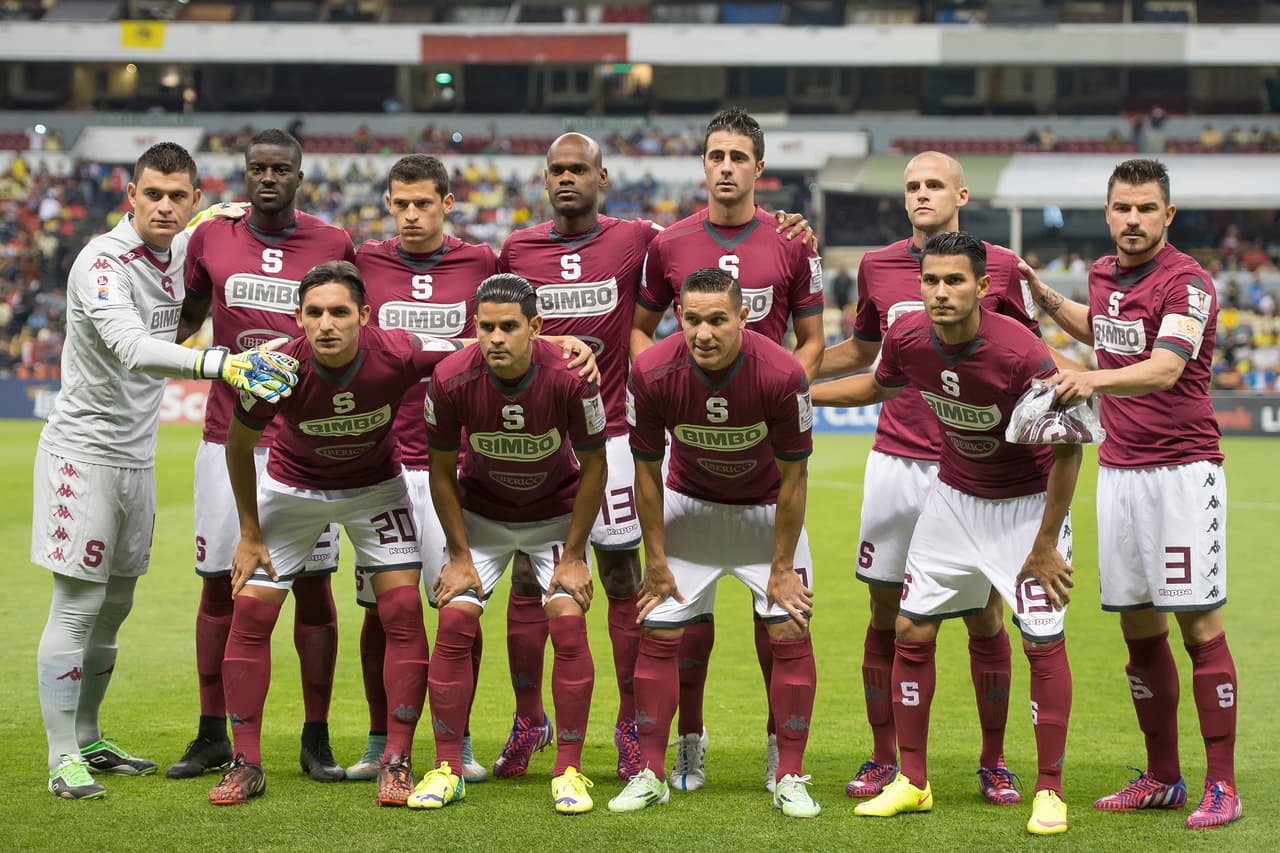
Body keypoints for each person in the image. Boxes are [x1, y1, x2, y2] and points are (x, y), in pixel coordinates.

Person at [33, 141, 297, 800]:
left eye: (179, 196)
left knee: (116, 605)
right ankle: (62, 754)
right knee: (78, 604)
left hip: (135, 457)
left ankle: (89, 733)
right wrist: (222, 363)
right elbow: (130, 347)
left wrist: (228, 214)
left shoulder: (183, 248)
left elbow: (220, 235)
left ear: (194, 201)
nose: (164, 206)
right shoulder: (103, 261)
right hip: (83, 454)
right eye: (152, 193)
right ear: (130, 195)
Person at [812, 232, 1080, 836]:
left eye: (954, 280)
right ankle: (913, 782)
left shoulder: (1020, 353)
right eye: (931, 281)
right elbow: (875, 387)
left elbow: (1068, 450)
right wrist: (798, 393)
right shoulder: (906, 338)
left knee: (1042, 639)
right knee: (909, 627)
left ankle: (1050, 791)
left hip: (1025, 507)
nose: (940, 292)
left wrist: (1044, 544)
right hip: (954, 499)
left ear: (984, 287)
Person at [1022, 158, 1241, 830]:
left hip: (1181, 473)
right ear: (1109, 211)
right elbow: (1109, 331)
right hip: (1118, 473)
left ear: (1167, 215)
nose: (1134, 219)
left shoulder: (1187, 281)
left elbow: (1167, 366)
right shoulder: (1101, 275)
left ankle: (1223, 784)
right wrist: (1047, 298)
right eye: (1123, 207)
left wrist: (1092, 381)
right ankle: (1163, 776)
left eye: (1147, 208)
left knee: (1198, 624)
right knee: (1138, 626)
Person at [209, 260, 460, 807]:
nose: (326, 324)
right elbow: (235, 446)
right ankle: (245, 762)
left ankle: (395, 760)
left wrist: (559, 347)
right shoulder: (278, 368)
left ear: (364, 316)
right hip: (292, 493)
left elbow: (474, 346)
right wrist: (250, 533)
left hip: (375, 490)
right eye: (315, 313)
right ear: (298, 317)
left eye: (340, 312)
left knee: (401, 613)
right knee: (251, 615)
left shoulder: (397, 351)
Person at [630, 106, 824, 793]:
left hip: (767, 460)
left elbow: (812, 339)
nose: (727, 167)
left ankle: (782, 751)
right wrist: (665, 385)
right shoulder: (669, 243)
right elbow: (640, 330)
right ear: (703, 164)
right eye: (716, 155)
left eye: (740, 157)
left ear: (759, 169)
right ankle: (687, 742)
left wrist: (772, 395)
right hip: (693, 467)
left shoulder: (794, 241)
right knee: (689, 624)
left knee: (781, 619)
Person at [173, 129, 358, 782]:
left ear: (300, 176)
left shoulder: (334, 243)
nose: (269, 177)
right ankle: (210, 733)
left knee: (314, 587)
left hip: (308, 445)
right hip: (229, 441)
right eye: (258, 168)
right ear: (244, 173)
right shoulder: (210, 237)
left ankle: (316, 736)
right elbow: (185, 317)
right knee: (219, 586)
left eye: (282, 168)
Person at [610, 267, 820, 819]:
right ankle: (652, 771)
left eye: (717, 320)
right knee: (658, 630)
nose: (703, 333)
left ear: (743, 317)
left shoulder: (781, 373)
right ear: (678, 317)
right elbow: (647, 474)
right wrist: (654, 561)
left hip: (767, 514)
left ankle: (790, 771)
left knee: (789, 628)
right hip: (689, 510)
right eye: (692, 320)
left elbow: (796, 478)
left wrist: (780, 567)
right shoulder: (652, 372)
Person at [492, 132, 659, 783]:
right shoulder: (516, 249)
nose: (567, 179)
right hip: (540, 445)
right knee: (531, 582)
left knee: (622, 579)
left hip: (611, 437)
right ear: (544, 178)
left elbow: (708, 241)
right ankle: (531, 717)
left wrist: (788, 227)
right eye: (556, 170)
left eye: (578, 169)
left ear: (602, 176)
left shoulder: (637, 238)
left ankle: (628, 723)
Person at [411, 274, 606, 814]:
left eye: (508, 327)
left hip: (553, 519)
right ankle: (447, 765)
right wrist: (458, 555)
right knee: (454, 620)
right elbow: (441, 472)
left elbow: (595, 467)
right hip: (482, 518)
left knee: (567, 620)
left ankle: (568, 770)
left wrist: (572, 556)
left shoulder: (570, 377)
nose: (495, 338)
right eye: (486, 327)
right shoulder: (450, 378)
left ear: (536, 328)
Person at [348, 153, 498, 784]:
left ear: (447, 204)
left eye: (423, 204)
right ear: (388, 203)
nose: (411, 215)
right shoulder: (366, 263)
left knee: (460, 606)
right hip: (379, 464)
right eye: (400, 203)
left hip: (454, 464)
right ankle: (382, 738)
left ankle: (456, 742)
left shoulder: (482, 264)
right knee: (381, 611)